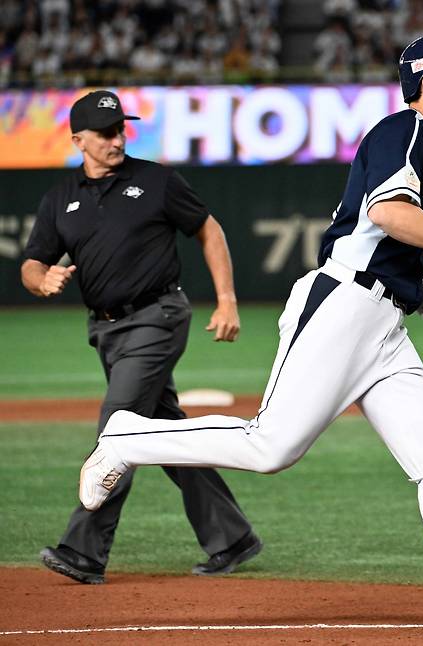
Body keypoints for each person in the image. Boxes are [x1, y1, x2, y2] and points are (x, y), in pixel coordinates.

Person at [78, 34, 423, 628]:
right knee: (271, 446)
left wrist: (411, 281)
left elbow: (383, 226)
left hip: (383, 322)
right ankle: (127, 437)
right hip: (343, 306)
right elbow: (386, 211)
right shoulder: (403, 131)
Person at [21, 90, 262, 584]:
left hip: (157, 316)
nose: (116, 138)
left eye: (120, 129)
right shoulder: (59, 199)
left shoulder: (156, 181)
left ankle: (84, 551)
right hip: (105, 330)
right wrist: (39, 278)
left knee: (118, 429)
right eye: (105, 132)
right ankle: (231, 537)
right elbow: (31, 262)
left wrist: (227, 300)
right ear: (78, 140)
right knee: (161, 431)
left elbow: (209, 230)